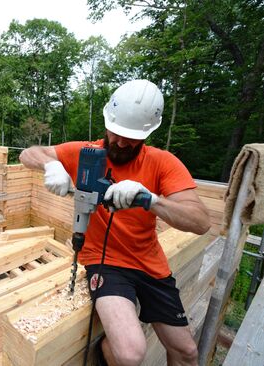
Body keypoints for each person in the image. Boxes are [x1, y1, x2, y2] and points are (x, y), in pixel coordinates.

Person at [19, 79, 211, 366]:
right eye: (115, 133)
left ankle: (112, 344)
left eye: (130, 138)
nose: (120, 142)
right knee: (130, 353)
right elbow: (27, 153)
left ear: (147, 133)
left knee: (186, 352)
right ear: (107, 123)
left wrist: (151, 200)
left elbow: (201, 221)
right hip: (105, 261)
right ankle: (109, 349)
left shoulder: (163, 163)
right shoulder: (87, 154)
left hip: (150, 263)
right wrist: (51, 164)